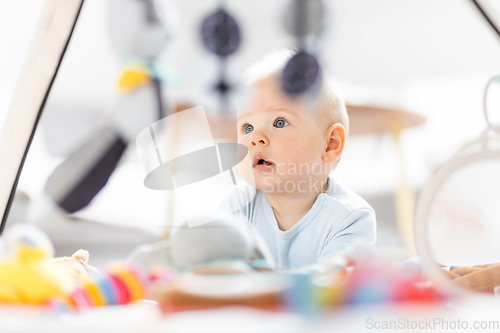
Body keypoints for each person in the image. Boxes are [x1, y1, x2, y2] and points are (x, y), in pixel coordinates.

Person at [221, 50, 376, 270]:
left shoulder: (351, 219)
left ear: (330, 144)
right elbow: (211, 268)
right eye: (247, 127)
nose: (256, 139)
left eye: (280, 123)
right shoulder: (237, 204)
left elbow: (329, 287)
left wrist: (263, 280)